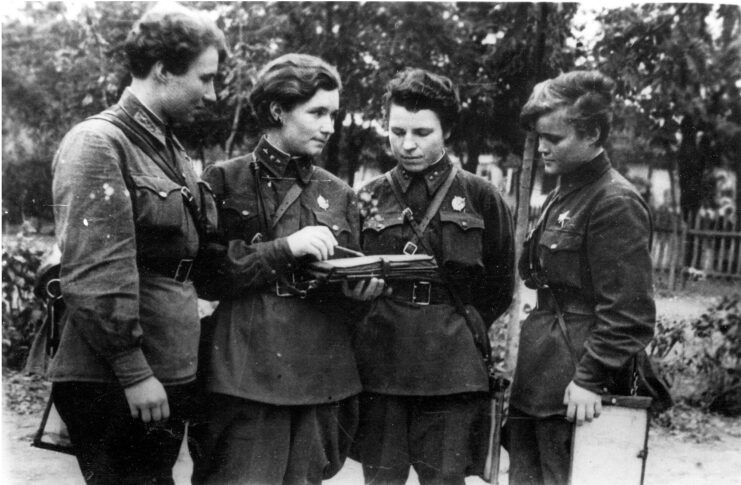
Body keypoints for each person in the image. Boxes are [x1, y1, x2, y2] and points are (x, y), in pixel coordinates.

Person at [49, 3, 227, 484]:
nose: (210, 94)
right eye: (204, 78)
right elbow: (93, 272)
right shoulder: (99, 143)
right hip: (116, 376)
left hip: (162, 364)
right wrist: (133, 370)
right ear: (164, 70)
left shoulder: (168, 149)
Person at [192, 53, 383, 485]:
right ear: (277, 110)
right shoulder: (225, 180)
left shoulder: (338, 193)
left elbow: (346, 289)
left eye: (333, 114)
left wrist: (358, 298)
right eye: (316, 112)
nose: (329, 125)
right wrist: (285, 249)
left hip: (319, 372)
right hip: (245, 369)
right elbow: (207, 274)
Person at [350, 68, 515, 484]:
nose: (407, 144)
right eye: (397, 130)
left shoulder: (481, 196)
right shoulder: (367, 196)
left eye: (422, 132)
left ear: (448, 131)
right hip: (382, 366)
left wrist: (458, 329)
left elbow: (498, 287)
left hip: (450, 372)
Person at [507, 70, 656, 485]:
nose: (542, 148)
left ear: (591, 134)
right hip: (540, 376)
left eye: (554, 139)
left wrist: (590, 379)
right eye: (539, 138)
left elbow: (630, 312)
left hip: (576, 386)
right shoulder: (562, 194)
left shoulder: (614, 202)